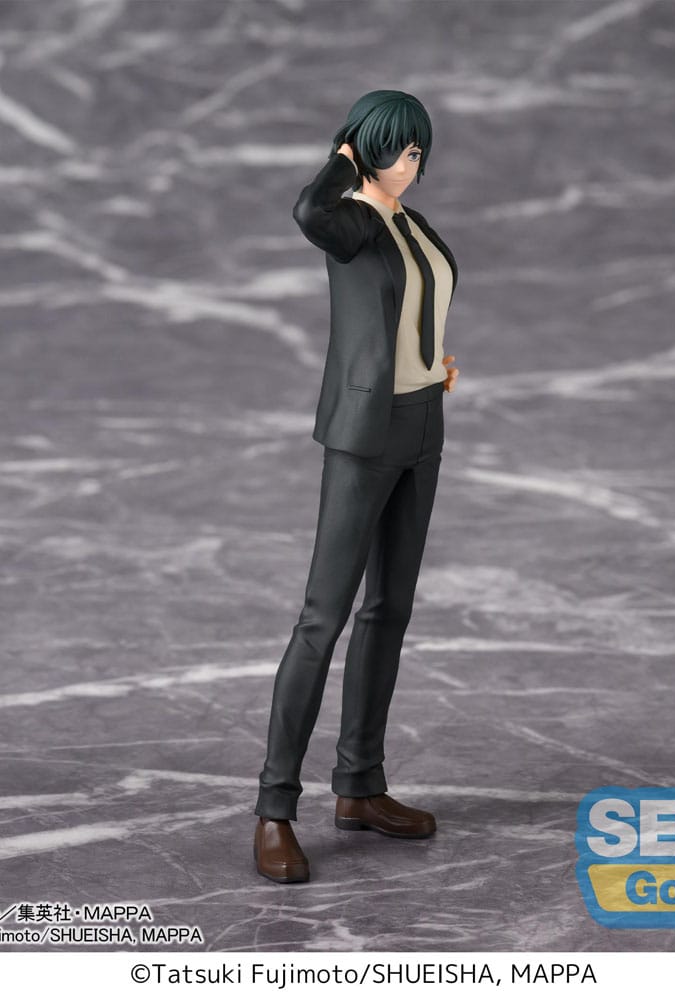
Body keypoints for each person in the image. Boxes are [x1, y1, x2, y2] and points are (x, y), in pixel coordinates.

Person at [254, 90, 459, 883]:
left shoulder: (413, 224)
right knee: (323, 618)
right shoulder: (351, 223)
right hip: (364, 435)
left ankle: (360, 785)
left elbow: (418, 307)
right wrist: (340, 160)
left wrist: (431, 366)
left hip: (422, 424)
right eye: (396, 149)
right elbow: (308, 211)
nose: (409, 163)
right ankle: (275, 807)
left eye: (417, 151)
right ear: (364, 149)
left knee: (389, 610)